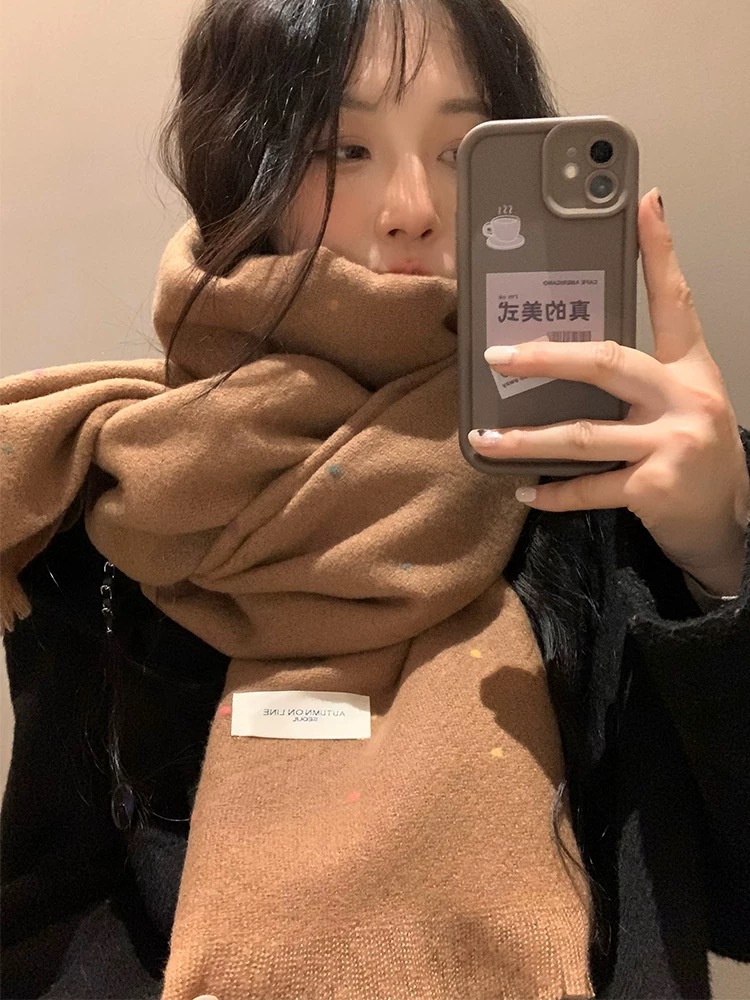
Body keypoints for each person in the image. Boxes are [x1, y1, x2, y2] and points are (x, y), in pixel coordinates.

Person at [1, 0, 748, 997]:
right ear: (243, 169)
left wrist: (720, 563)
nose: (411, 207)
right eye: (342, 150)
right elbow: (53, 911)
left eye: (463, 151)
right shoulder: (125, 490)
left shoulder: (619, 487)